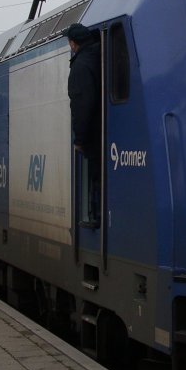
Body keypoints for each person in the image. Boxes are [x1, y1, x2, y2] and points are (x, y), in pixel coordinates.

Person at [63, 23, 101, 223]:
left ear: (73, 44)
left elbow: (82, 104)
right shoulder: (100, 56)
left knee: (95, 176)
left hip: (93, 136)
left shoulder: (80, 65)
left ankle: (95, 215)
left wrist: (79, 139)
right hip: (102, 132)